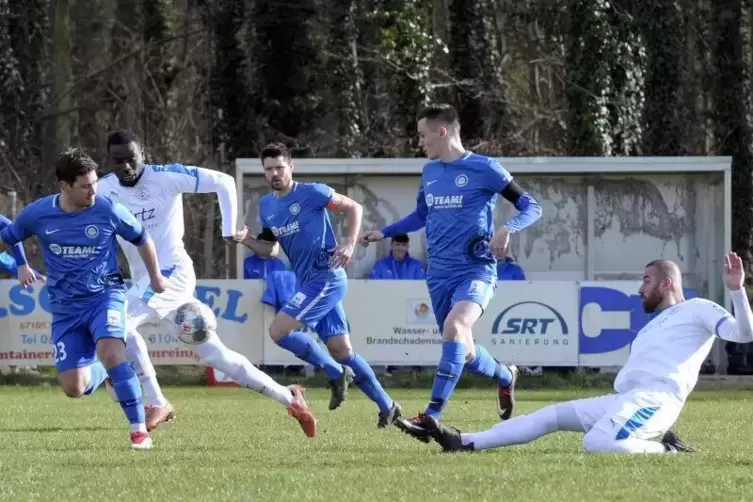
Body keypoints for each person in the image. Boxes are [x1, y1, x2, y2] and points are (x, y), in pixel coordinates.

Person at [97, 130, 317, 437]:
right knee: (217, 356)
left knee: (117, 324)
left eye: (131, 159)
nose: (126, 167)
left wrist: (229, 228)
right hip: (145, 282)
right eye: (118, 161)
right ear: (110, 160)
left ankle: (157, 401)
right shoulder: (102, 189)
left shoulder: (166, 177)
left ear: (143, 153)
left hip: (171, 274)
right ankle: (289, 396)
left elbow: (224, 182)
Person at [422, 255, 751, 454]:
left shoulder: (698, 309)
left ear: (667, 283)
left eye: (646, 280)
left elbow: (744, 334)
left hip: (657, 399)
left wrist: (736, 290)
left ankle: (666, 450)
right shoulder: (652, 326)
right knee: (548, 416)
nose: (640, 288)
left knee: (598, 443)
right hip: (625, 398)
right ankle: (464, 442)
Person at [360, 103, 542, 440]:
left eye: (422, 134)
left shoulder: (485, 168)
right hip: (438, 275)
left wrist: (508, 228)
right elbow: (420, 216)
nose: (420, 141)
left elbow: (532, 206)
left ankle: (430, 417)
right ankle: (505, 376)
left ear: (442, 132)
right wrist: (383, 233)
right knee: (467, 352)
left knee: (456, 327)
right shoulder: (430, 172)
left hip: (476, 270)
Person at [0, 148, 167, 449]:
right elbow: (9, 235)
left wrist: (156, 278)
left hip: (106, 295)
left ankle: (139, 430)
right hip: (65, 308)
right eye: (85, 185)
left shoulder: (107, 208)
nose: (93, 190)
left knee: (112, 350)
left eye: (94, 183)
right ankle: (106, 372)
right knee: (74, 388)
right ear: (64, 186)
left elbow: (142, 237)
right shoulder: (39, 213)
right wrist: (20, 264)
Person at [239, 142, 401, 427]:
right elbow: (270, 250)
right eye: (268, 169)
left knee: (278, 331)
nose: (274, 173)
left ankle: (334, 372)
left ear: (291, 166)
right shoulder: (267, 206)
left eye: (279, 167)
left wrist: (350, 243)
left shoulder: (312, 192)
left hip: (326, 276)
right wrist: (245, 240)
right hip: (308, 281)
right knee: (342, 350)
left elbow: (354, 207)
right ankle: (387, 405)